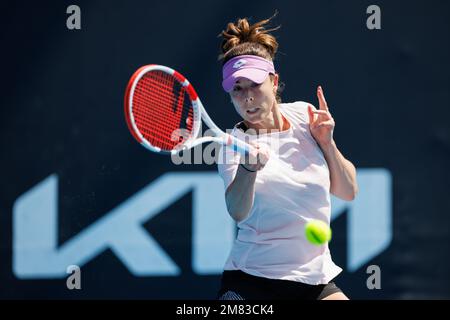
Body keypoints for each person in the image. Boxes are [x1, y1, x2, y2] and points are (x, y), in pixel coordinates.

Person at [216, 14, 359, 300]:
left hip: (315, 279)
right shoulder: (233, 145)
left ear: (274, 80)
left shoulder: (305, 117)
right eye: (237, 90)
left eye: (254, 85)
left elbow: (349, 191)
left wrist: (327, 143)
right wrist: (248, 168)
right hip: (251, 280)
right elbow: (237, 211)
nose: (247, 98)